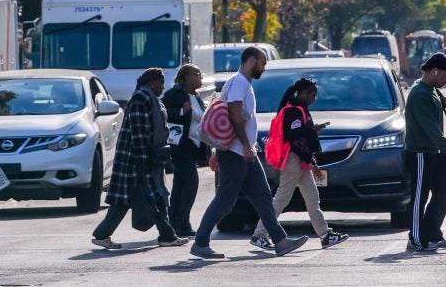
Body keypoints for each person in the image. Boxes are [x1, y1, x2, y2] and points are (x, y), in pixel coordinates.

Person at [190, 47, 309, 260]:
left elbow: (233, 117)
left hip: (244, 152)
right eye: (262, 63)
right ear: (251, 60)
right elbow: (234, 115)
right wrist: (244, 145)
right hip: (237, 152)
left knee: (263, 196)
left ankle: (280, 241)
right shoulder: (239, 83)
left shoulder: (242, 83)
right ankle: (200, 242)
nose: (263, 67)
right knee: (225, 200)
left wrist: (239, 147)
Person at [91, 68, 186, 250]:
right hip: (134, 161)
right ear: (152, 82)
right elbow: (139, 133)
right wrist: (144, 162)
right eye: (161, 83)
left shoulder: (151, 99)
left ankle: (102, 235)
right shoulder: (140, 98)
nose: (163, 87)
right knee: (148, 199)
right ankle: (167, 235)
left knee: (146, 198)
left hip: (146, 160)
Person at [251, 78, 349, 250]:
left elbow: (300, 132)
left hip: (299, 161)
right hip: (294, 160)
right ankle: (259, 234)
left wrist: (314, 129)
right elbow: (296, 141)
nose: (314, 98)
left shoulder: (299, 109)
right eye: (312, 94)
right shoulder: (294, 111)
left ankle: (325, 235)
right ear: (303, 93)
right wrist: (313, 164)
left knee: (312, 198)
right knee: (282, 198)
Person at [404, 51, 446, 252]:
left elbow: (436, 103)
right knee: (420, 197)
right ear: (434, 71)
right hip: (420, 153)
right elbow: (431, 129)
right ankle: (416, 239)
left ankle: (433, 234)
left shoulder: (431, 90)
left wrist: (442, 102)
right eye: (445, 76)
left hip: (434, 152)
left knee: (444, 190)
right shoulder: (419, 93)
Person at [163, 63, 208, 237]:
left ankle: (174, 223)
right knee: (191, 183)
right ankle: (182, 222)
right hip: (180, 146)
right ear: (188, 77)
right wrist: (182, 110)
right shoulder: (175, 94)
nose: (200, 77)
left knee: (180, 186)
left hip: (193, 146)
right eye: (197, 74)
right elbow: (164, 111)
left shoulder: (195, 95)